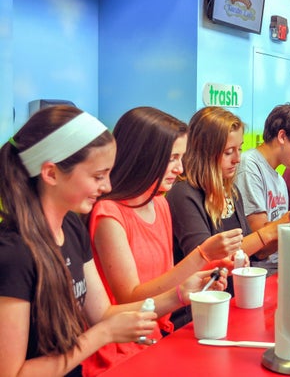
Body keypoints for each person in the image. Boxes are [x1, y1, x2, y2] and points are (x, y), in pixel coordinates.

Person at [0, 106, 226, 376]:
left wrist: (180, 294)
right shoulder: (14, 253)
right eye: (97, 176)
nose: (107, 186)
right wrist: (102, 334)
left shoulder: (71, 227)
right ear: (51, 174)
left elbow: (103, 313)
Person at [83, 107, 242, 375]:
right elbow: (130, 298)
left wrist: (205, 274)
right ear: (145, 157)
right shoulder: (109, 214)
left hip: (156, 338)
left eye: (181, 158)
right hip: (119, 351)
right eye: (172, 159)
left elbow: (164, 279)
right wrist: (202, 256)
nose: (180, 169)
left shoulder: (160, 203)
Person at [167, 107, 290, 280]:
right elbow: (206, 261)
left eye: (239, 149)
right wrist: (277, 228)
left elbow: (250, 250)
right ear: (205, 151)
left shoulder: (231, 191)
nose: (237, 159)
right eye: (228, 152)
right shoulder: (184, 194)